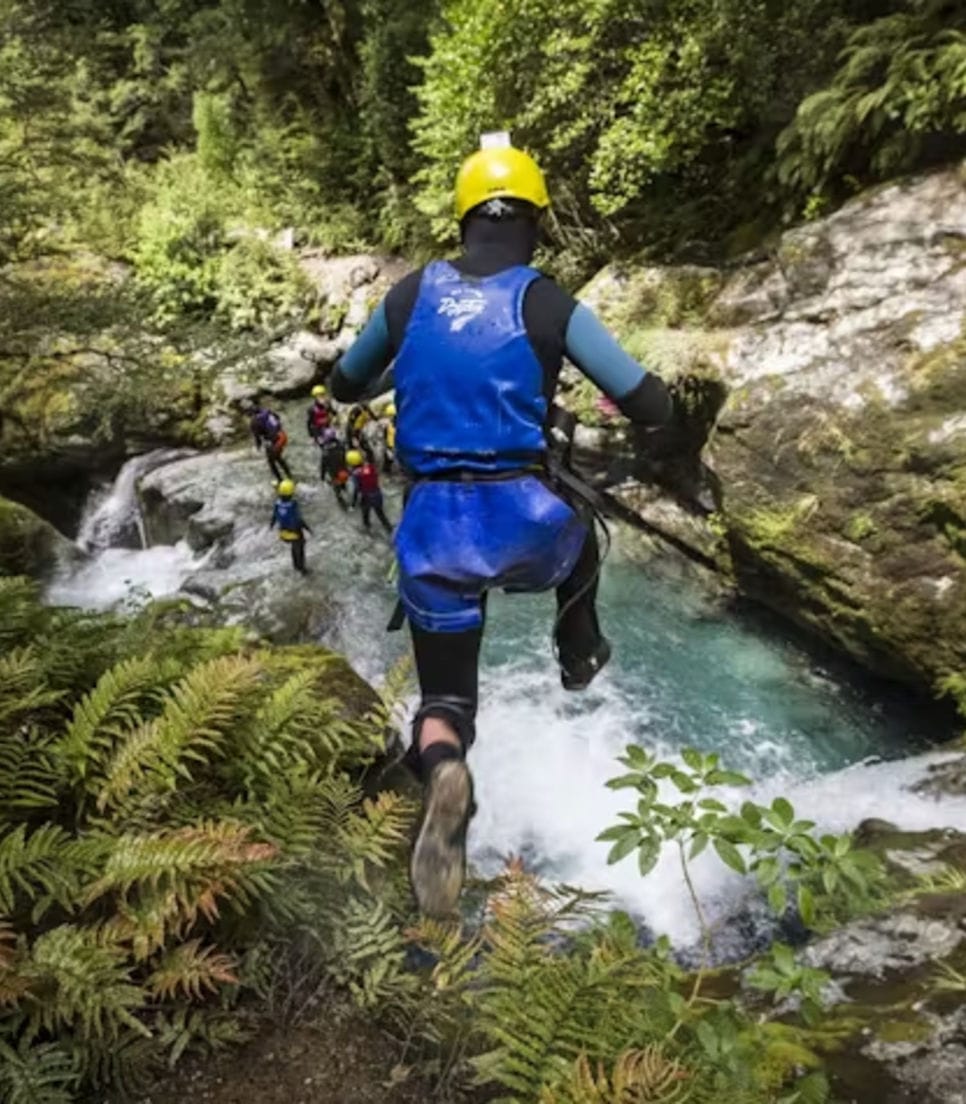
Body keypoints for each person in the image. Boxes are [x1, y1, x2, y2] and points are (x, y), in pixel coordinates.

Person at [329, 140, 672, 918]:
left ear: (462, 221)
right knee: (584, 530)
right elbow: (646, 403)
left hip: (432, 531)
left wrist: (391, 370)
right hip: (526, 523)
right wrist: (676, 402)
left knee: (446, 698)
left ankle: (446, 765)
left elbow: (343, 382)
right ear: (536, 223)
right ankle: (575, 643)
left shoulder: (410, 296)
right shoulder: (547, 301)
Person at [269, 479, 311, 573]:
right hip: (295, 532)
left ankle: (295, 565)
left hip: (283, 532)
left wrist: (271, 526)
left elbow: (274, 517)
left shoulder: (277, 504)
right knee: (300, 549)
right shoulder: (293, 505)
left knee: (293, 547)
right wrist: (308, 529)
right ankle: (302, 568)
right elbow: (299, 519)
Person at [346, 448, 393, 534]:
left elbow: (357, 489)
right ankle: (389, 529)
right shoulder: (370, 467)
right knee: (380, 514)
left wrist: (353, 504)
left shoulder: (356, 474)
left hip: (366, 496)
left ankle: (367, 526)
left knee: (365, 512)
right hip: (377, 493)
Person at [248, 401, 292, 482]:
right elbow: (278, 418)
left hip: (274, 441)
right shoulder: (268, 412)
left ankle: (280, 481)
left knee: (271, 462)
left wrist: (258, 447)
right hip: (282, 436)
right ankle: (290, 476)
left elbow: (257, 437)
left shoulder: (254, 421)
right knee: (278, 458)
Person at [319, 425, 351, 510]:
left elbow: (323, 466)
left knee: (337, 491)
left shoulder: (326, 452)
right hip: (344, 470)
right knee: (345, 485)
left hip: (334, 474)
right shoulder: (341, 446)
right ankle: (349, 499)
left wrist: (322, 476)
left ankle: (343, 506)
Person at [380, 402, 397, 474]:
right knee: (388, 459)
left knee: (390, 459)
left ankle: (387, 469)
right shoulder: (388, 425)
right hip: (390, 444)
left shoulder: (396, 424)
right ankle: (386, 470)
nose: (390, 418)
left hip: (394, 444)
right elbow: (384, 435)